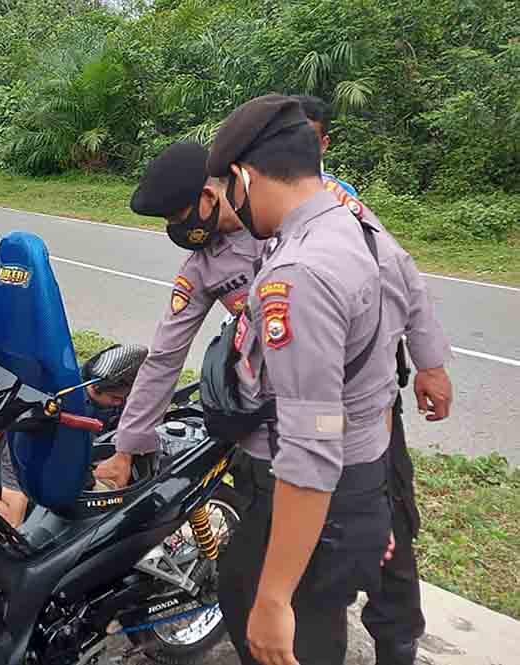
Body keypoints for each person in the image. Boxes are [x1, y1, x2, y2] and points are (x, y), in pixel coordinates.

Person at [202, 94, 446, 665]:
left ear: (242, 176)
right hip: (360, 479)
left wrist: (274, 598)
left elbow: (311, 443)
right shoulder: (350, 221)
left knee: (282, 627)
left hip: (320, 492)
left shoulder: (298, 275)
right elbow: (409, 279)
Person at [295, 94, 453, 665]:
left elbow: (403, 274)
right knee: (304, 531)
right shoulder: (248, 203)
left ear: (323, 146)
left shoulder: (342, 205)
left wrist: (430, 363)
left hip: (366, 400)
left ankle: (396, 638)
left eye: (307, 138)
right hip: (291, 405)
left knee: (383, 515)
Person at [94, 142, 264, 489]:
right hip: (268, 404)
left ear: (208, 195)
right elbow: (164, 357)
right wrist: (125, 449)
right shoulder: (202, 267)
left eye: (177, 216)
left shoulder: (280, 213)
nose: (175, 228)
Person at [0, 344, 149, 529]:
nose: (120, 404)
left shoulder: (81, 383)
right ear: (94, 387)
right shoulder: (24, 444)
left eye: (125, 399)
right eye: (117, 399)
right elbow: (12, 522)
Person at [292, 95, 357, 196]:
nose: (298, 146)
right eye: (289, 136)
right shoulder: (262, 190)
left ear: (324, 144)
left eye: (308, 139)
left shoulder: (343, 193)